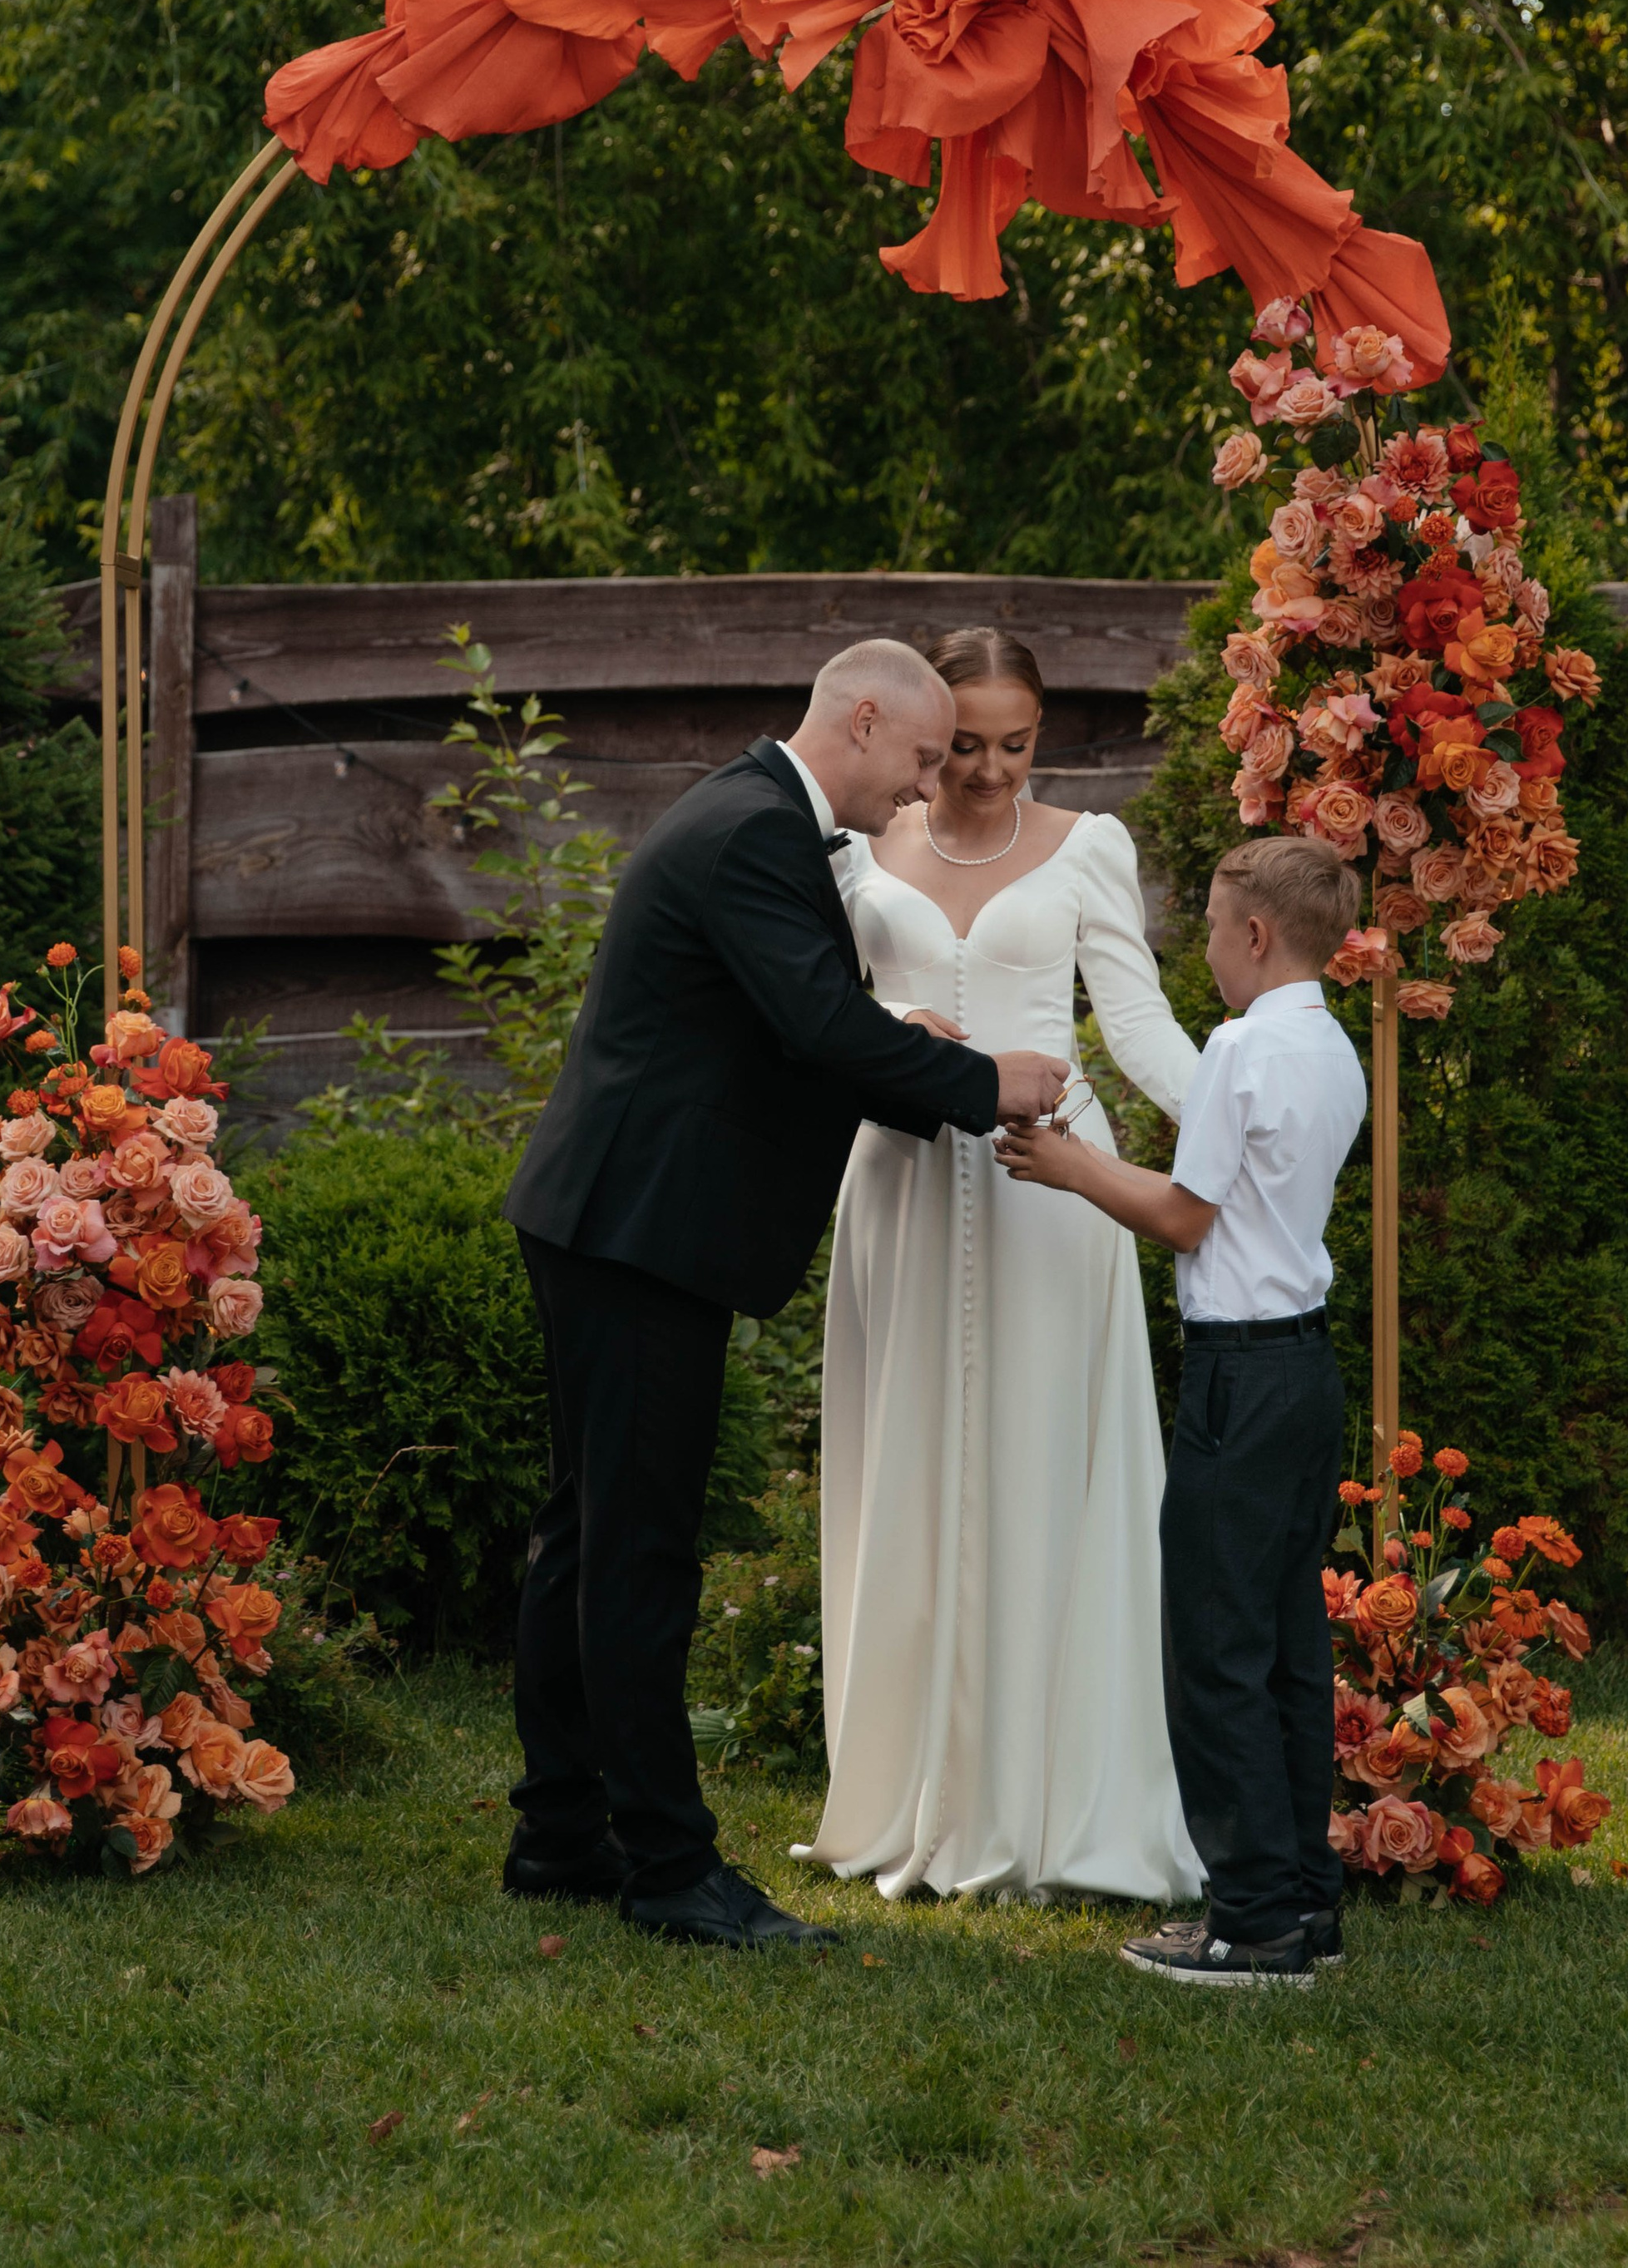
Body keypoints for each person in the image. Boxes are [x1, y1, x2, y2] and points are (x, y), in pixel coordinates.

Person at [500, 638, 1071, 1950]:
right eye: (923, 759)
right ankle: (668, 1871)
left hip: (605, 1216)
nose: (927, 793)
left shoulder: (748, 811)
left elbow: (789, 1016)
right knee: (635, 1553)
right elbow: (818, 1029)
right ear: (862, 721)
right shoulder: (757, 831)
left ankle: (559, 1832)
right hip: (639, 1229)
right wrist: (989, 1084)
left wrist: (896, 1038)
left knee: (587, 1537)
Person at [804, 627, 1205, 1905]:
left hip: (1054, 1193)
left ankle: (1058, 1798)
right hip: (903, 1187)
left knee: (1048, 1469)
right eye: (963, 744)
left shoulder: (1091, 848)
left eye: (1014, 744)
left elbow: (1134, 1021)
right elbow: (816, 1007)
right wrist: (884, 1032)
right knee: (906, 1467)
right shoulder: (859, 848)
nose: (984, 770)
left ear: (1046, 732)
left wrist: (1245, 1126)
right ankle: (909, 1792)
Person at [995, 832, 1367, 1989]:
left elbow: (1184, 1216)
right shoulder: (1337, 1049)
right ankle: (1306, 1903)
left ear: (1254, 934)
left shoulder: (1243, 1046)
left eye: (1208, 928)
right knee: (1290, 1647)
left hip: (1239, 1378)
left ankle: (1249, 1922)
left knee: (1217, 1651)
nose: (1204, 949)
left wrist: (1067, 1167)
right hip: (1307, 1375)